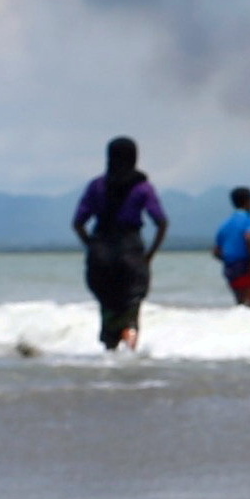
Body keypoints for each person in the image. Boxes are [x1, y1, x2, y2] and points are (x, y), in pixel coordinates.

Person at [71, 137, 168, 350]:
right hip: (131, 253)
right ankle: (129, 358)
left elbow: (78, 223)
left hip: (100, 255)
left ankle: (111, 364)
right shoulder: (143, 188)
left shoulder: (96, 186)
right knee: (131, 310)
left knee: (108, 312)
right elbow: (161, 222)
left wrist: (92, 247)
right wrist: (150, 255)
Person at [212, 186, 250, 309]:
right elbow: (249, 237)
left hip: (230, 268)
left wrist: (229, 259)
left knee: (241, 305)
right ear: (249, 201)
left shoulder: (224, 224)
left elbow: (216, 252)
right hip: (246, 265)